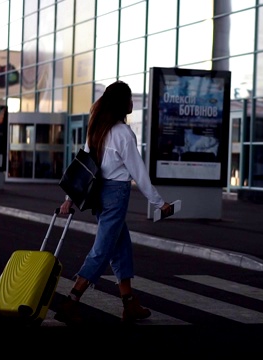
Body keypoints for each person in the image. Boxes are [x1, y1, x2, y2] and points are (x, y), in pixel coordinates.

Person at [57, 80, 173, 325]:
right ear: (122, 104)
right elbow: (139, 173)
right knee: (102, 249)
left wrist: (70, 198)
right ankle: (72, 300)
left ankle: (129, 303)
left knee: (121, 248)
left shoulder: (97, 128)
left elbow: (83, 167)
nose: (132, 103)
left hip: (98, 194)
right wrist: (159, 203)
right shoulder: (123, 134)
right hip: (115, 196)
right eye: (130, 98)